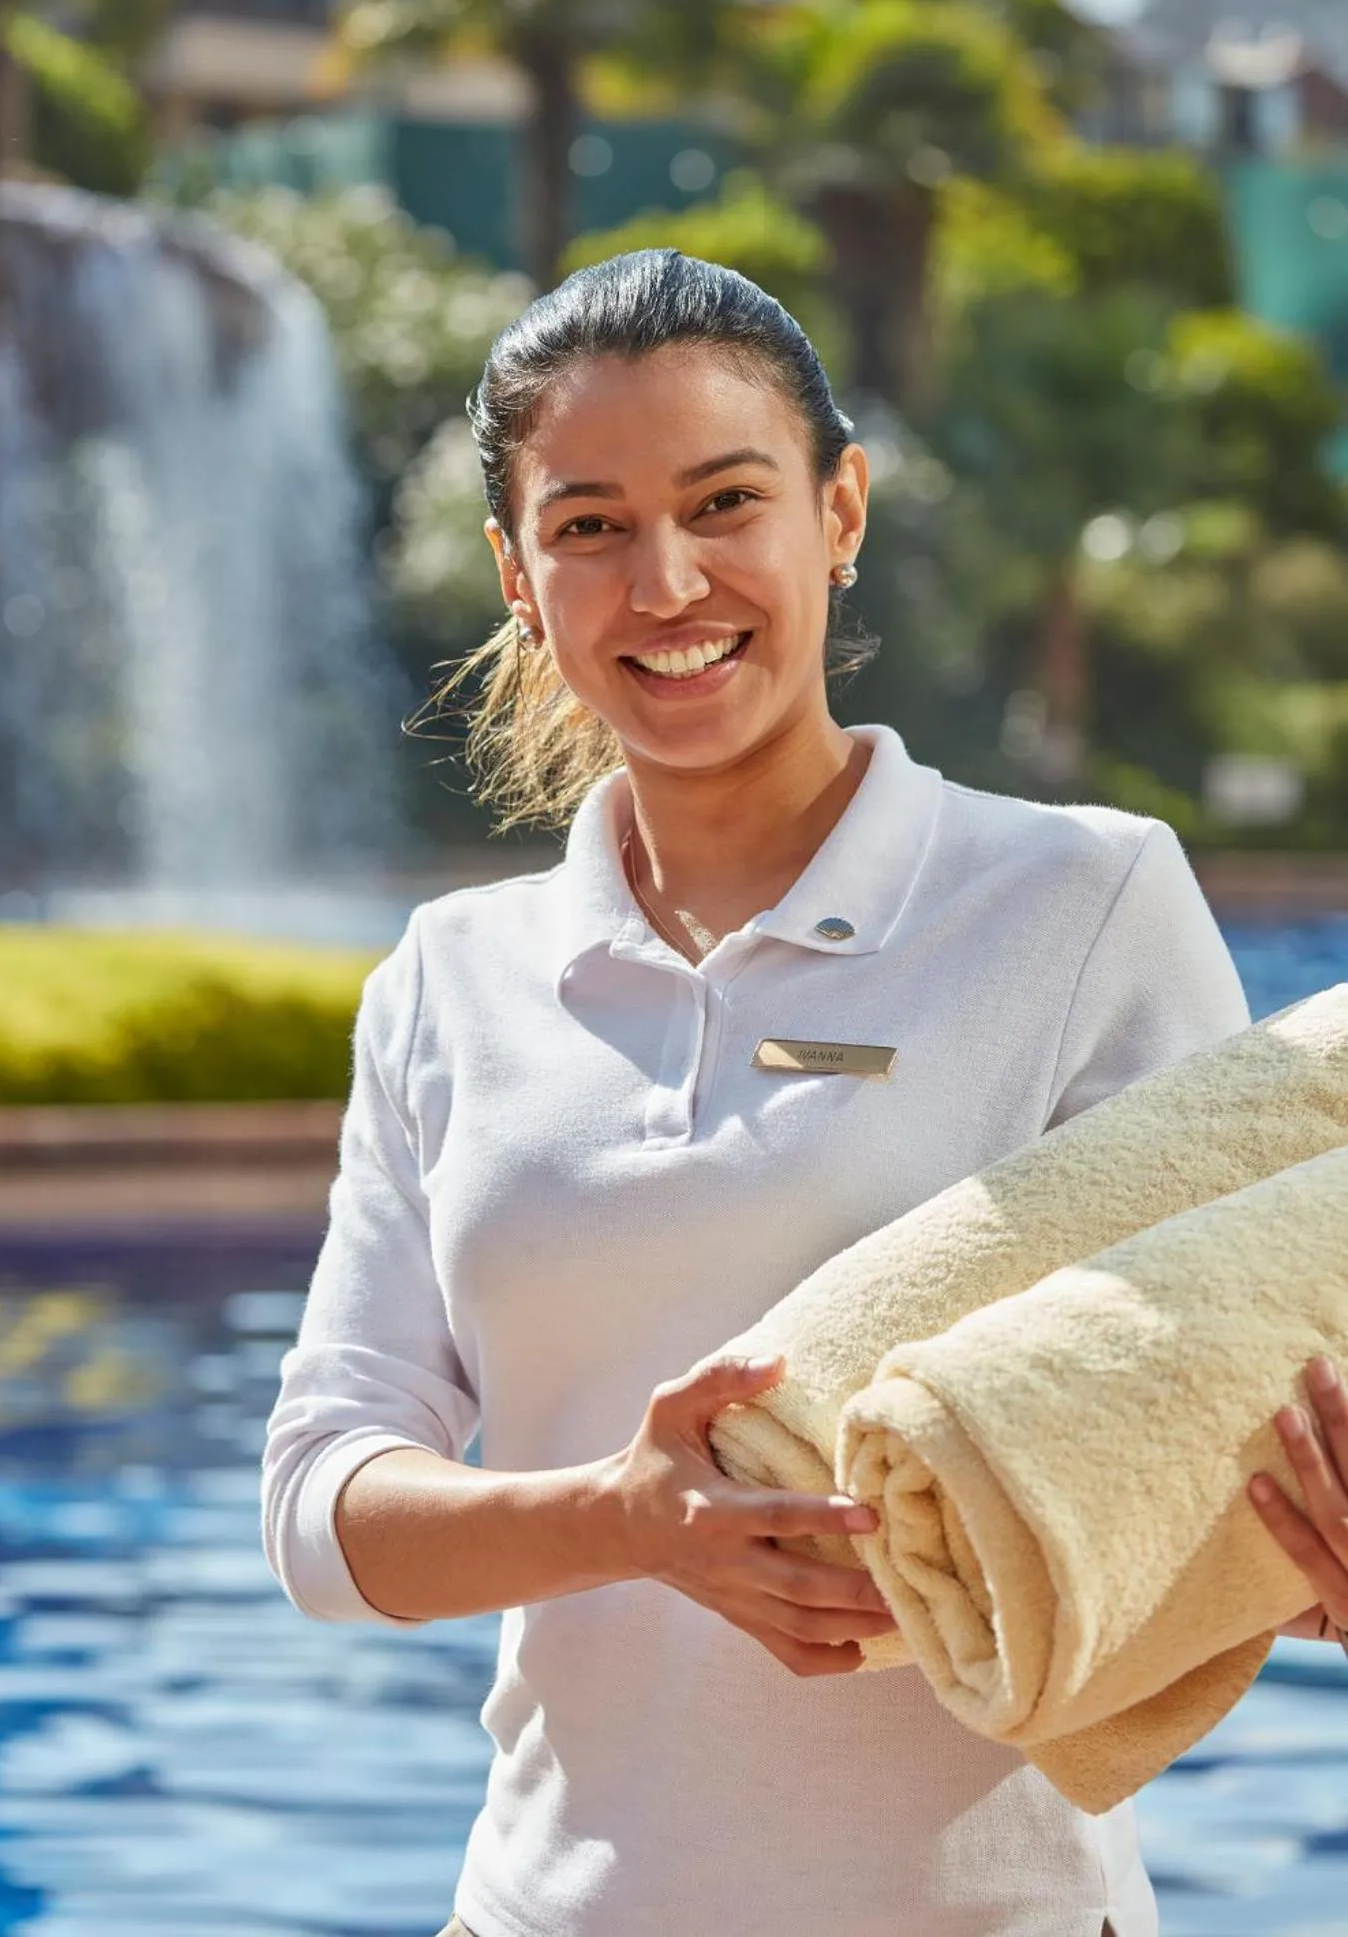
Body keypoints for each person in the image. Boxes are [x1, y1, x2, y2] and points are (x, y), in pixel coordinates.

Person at [260, 248, 1348, 1937]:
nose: (668, 580)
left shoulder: (1082, 900)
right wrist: (626, 1520)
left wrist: (1315, 1565)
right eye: (591, 525)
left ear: (839, 512)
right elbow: (323, 1514)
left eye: (724, 501)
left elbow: (1191, 1427)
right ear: (517, 573)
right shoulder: (448, 980)